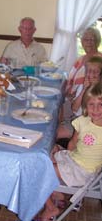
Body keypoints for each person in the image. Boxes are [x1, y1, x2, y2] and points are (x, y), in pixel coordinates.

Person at [38, 82, 102, 221]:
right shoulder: (82, 121)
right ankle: (57, 193)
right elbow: (73, 142)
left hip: (84, 171)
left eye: (100, 104)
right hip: (74, 160)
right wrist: (65, 158)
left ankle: (50, 208)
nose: (96, 109)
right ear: (86, 105)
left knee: (39, 170)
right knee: (45, 153)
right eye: (91, 104)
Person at [57, 56, 102, 139]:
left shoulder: (99, 91)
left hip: (88, 122)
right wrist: (84, 89)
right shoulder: (83, 86)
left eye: (95, 72)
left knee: (54, 134)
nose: (91, 74)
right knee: (58, 107)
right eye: (89, 71)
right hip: (77, 117)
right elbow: (74, 108)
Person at [66, 27, 102, 98]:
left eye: (92, 40)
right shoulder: (80, 59)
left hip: (90, 99)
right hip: (73, 97)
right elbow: (71, 79)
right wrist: (69, 92)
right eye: (86, 39)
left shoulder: (99, 59)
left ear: (97, 42)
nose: (89, 42)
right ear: (82, 42)